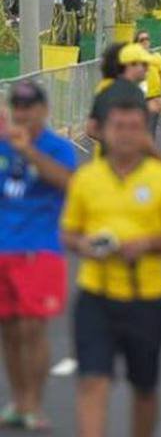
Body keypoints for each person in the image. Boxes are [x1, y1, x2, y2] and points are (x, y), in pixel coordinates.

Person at [61, 98, 161, 437]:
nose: (125, 135)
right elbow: (69, 232)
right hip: (96, 294)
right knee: (92, 379)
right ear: (104, 132)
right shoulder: (87, 178)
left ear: (144, 133)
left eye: (134, 127)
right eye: (118, 127)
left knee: (144, 388)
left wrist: (146, 244)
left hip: (146, 297)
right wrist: (84, 246)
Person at [0, 82, 76, 430]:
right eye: (17, 106)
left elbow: (67, 183)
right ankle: (18, 400)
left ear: (43, 110)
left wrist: (28, 150)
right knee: (10, 330)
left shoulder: (57, 147)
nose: (22, 113)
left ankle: (34, 402)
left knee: (33, 327)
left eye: (29, 107)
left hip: (41, 249)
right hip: (5, 249)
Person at [134, 31, 161, 137]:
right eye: (141, 40)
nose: (145, 42)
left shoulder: (157, 56)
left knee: (150, 129)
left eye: (147, 39)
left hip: (154, 97)